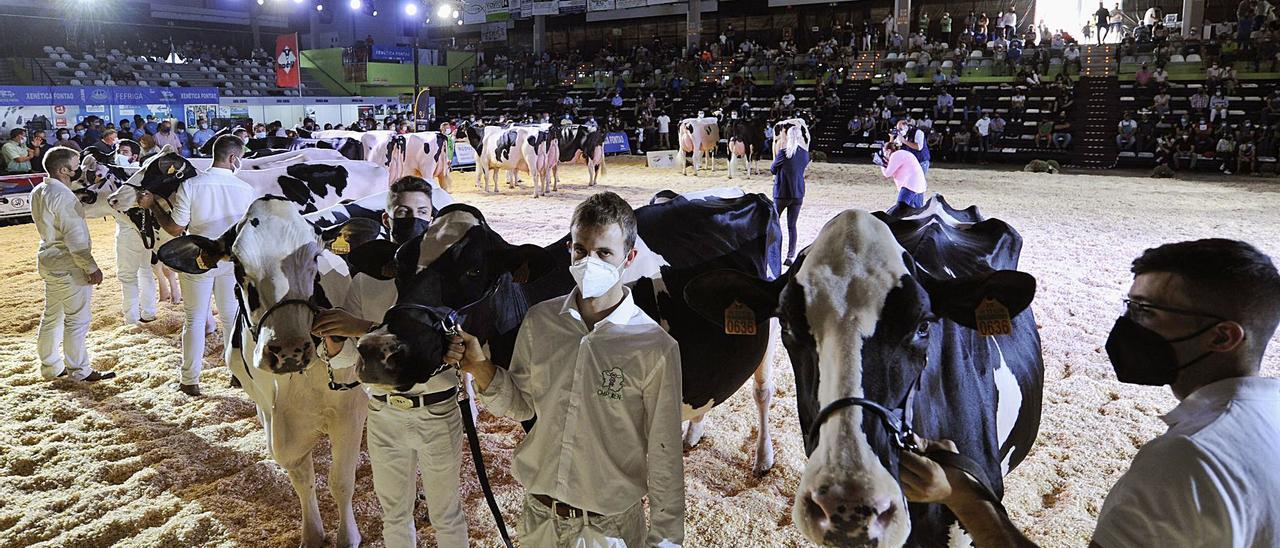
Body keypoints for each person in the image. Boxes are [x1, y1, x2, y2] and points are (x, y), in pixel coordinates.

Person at [901, 238, 1280, 548]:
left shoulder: (1186, 460)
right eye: (1128, 306)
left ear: (1222, 336)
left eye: (1145, 311)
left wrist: (965, 496)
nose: (1126, 326)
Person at [450, 192, 685, 547]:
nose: (590, 261)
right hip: (538, 518)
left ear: (629, 258)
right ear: (570, 251)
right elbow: (522, 406)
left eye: (605, 253)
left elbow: (665, 452)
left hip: (608, 531)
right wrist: (480, 369)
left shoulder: (653, 346)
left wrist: (666, 540)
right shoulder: (540, 321)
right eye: (580, 250)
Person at [313, 177, 467, 548]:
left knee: (446, 513)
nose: (411, 220)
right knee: (394, 513)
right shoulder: (367, 281)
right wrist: (334, 345)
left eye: (421, 213)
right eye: (402, 213)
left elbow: (444, 347)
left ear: (434, 221)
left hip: (436, 409)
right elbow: (350, 359)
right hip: (383, 411)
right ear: (386, 218)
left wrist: (362, 327)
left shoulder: (452, 279)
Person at [139, 135, 254, 397]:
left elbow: (174, 228)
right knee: (231, 318)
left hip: (197, 259)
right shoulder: (245, 189)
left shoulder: (192, 185)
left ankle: (189, 379)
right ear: (233, 158)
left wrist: (154, 205)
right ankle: (237, 373)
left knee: (193, 319)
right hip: (230, 260)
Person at [31, 147, 113, 382]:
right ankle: (80, 370)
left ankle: (50, 366)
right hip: (69, 264)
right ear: (64, 170)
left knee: (51, 316)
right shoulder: (65, 197)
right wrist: (91, 268)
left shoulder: (38, 190)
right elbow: (75, 240)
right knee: (77, 320)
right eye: (76, 166)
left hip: (48, 259)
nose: (81, 170)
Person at [771, 124, 808, 265]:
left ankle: (773, 253)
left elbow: (773, 169)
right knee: (792, 226)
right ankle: (790, 255)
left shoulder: (783, 152)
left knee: (774, 223)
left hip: (782, 193)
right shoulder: (805, 154)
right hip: (798, 193)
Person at [877, 139, 927, 208]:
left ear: (888, 151)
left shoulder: (895, 155)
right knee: (916, 211)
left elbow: (887, 173)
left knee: (901, 210)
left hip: (909, 186)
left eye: (884, 152)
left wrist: (881, 163)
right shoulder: (901, 153)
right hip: (918, 185)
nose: (884, 155)